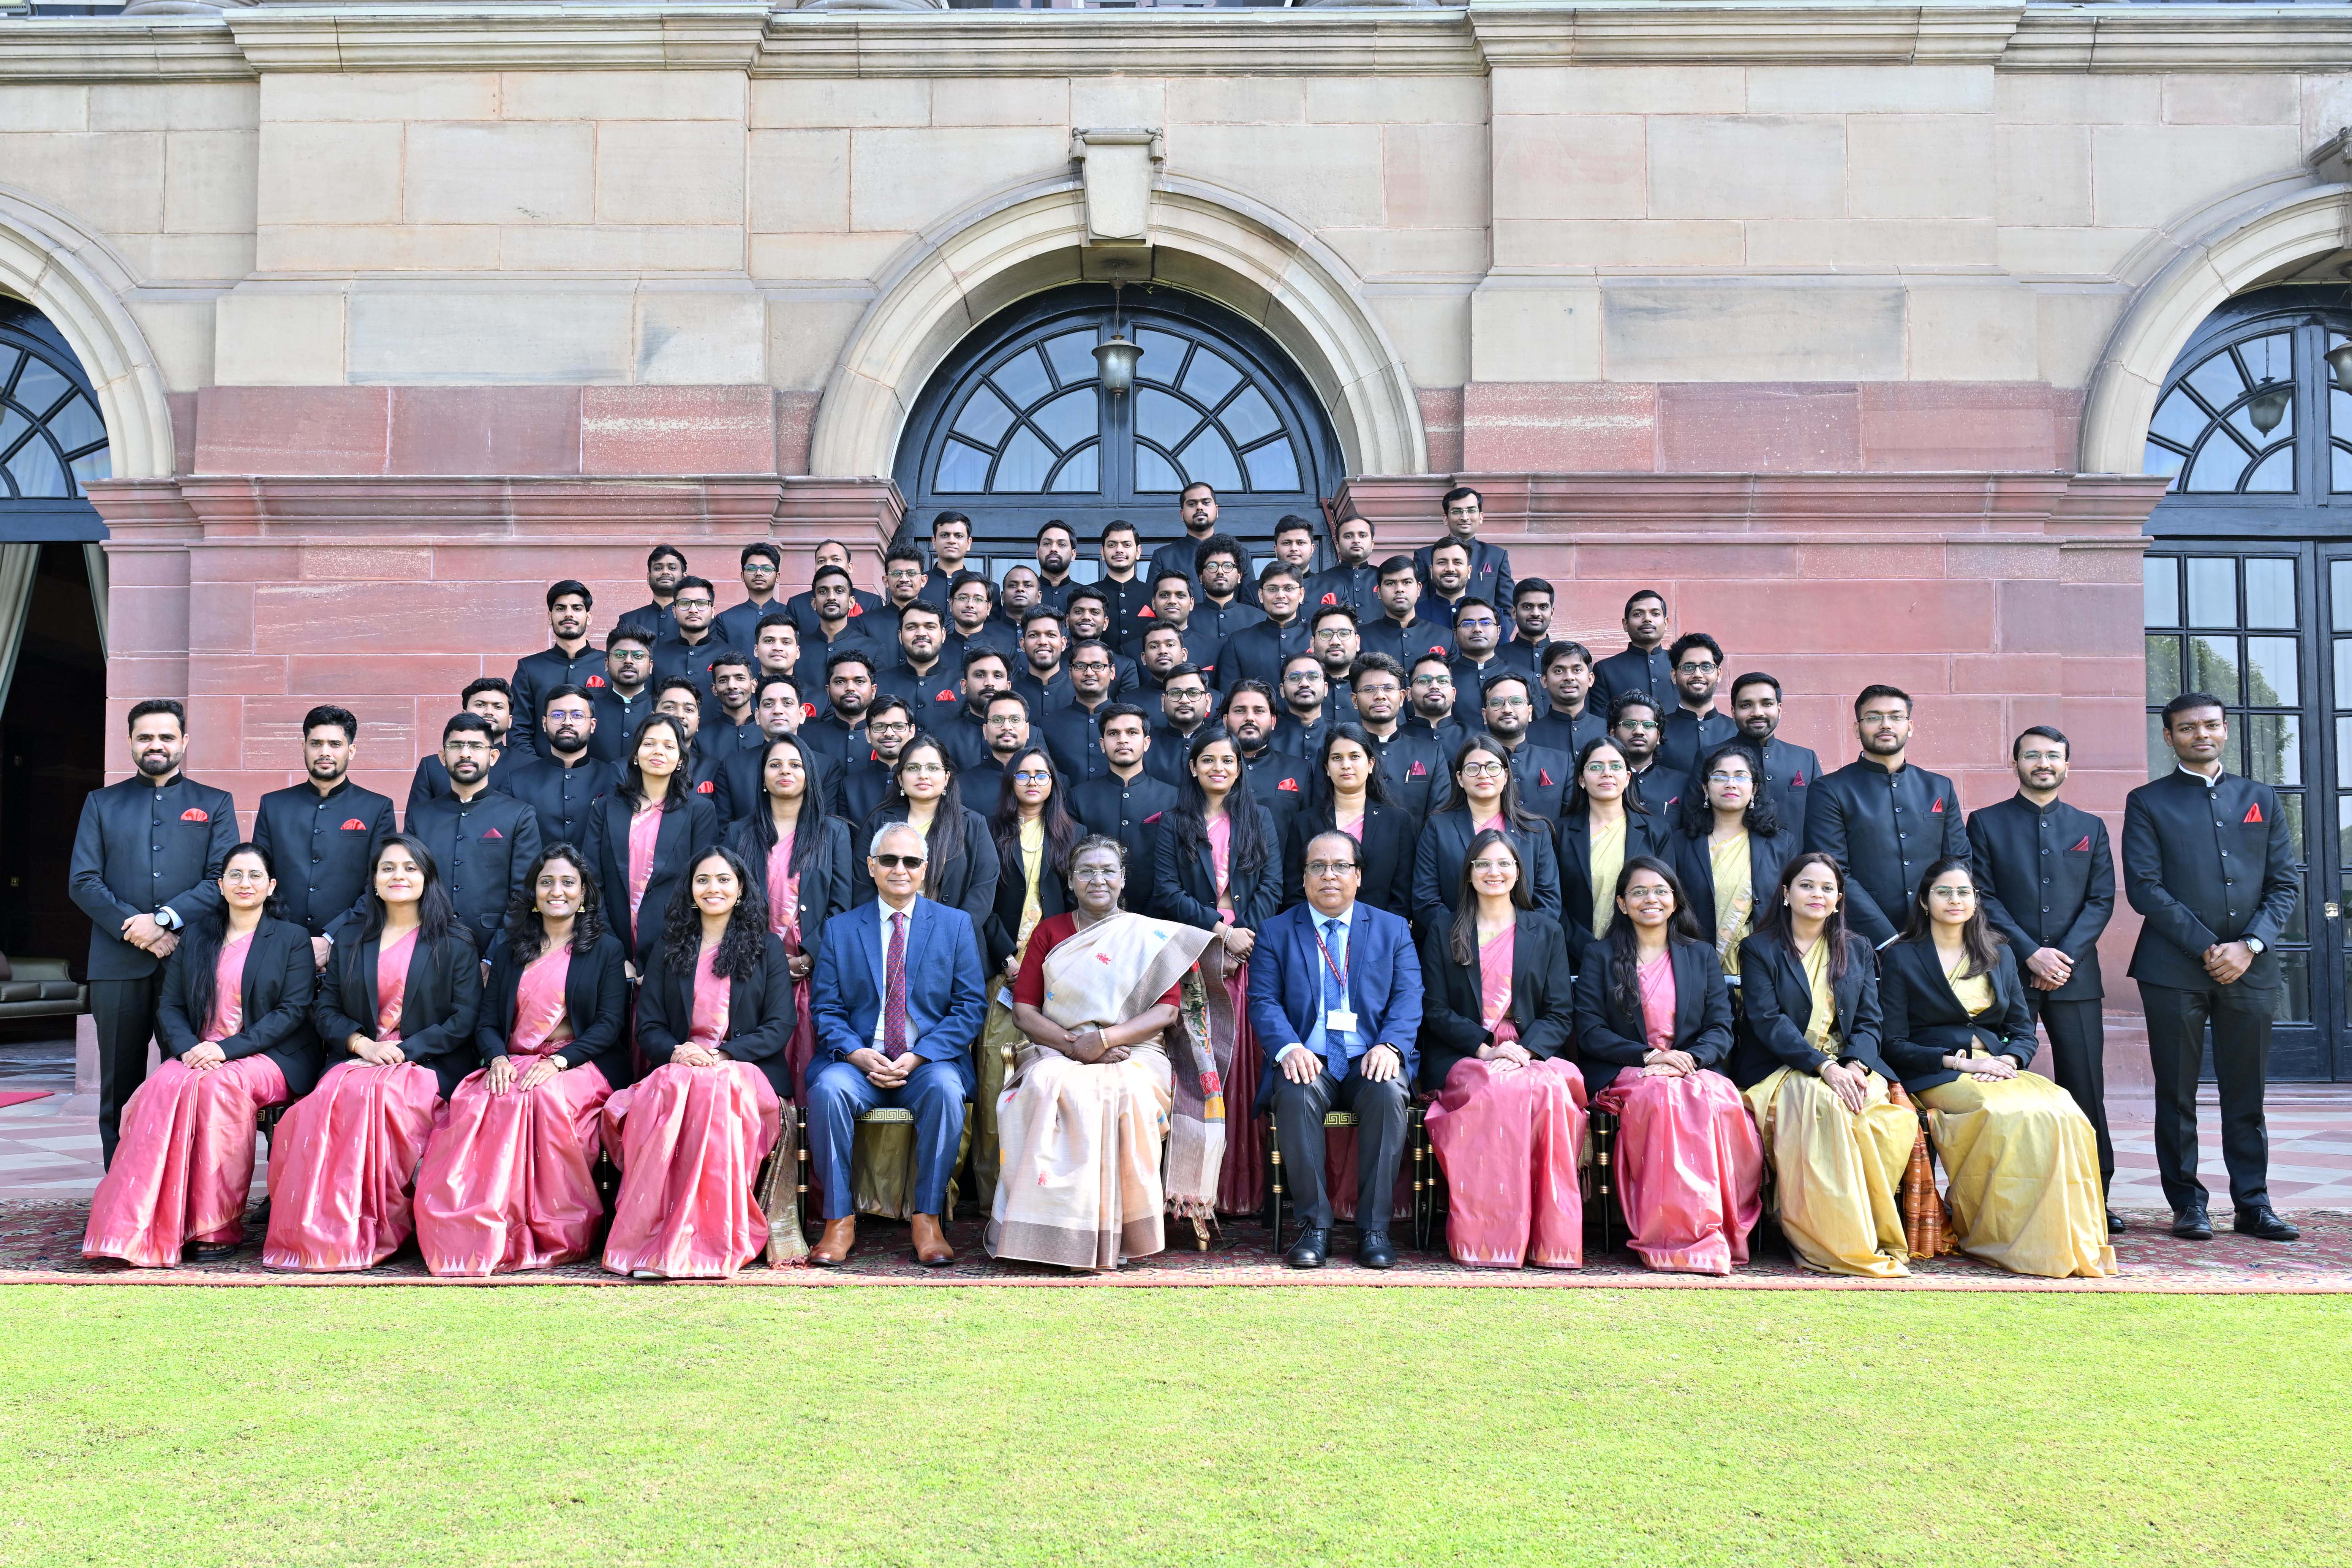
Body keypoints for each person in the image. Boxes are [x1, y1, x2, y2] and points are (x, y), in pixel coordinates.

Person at [987, 835, 1219, 1269]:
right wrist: (1076, 1046)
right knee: (1044, 1083)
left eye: (1108, 871)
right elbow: (1024, 1011)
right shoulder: (1050, 931)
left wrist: (1108, 1040)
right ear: (1072, 882)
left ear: (1123, 879)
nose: (1099, 880)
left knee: (1124, 1090)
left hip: (1134, 1048)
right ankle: (1047, 1232)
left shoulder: (1147, 935)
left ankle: (1119, 1234)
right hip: (1060, 1045)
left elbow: (1167, 1012)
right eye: (1087, 872)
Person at [82, 844, 319, 1268]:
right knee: (158, 1087)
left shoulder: (291, 939)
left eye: (254, 876)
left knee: (219, 1089)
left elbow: (291, 1012)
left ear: (271, 886)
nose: (244, 884)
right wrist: (190, 1047)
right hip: (199, 1052)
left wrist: (224, 1050)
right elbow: (170, 1006)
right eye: (235, 875)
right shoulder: (197, 937)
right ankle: (139, 1222)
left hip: (270, 1056)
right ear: (220, 885)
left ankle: (214, 1224)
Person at [1879, 859, 2115, 1278]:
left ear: (1976, 900)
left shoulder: (1999, 953)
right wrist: (1963, 1063)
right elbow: (1893, 1044)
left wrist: (2007, 1060)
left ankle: (2063, 1235)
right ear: (1924, 900)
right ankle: (1998, 1232)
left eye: (1963, 892)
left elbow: (2023, 1032)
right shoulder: (1901, 958)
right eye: (1944, 892)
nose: (1955, 900)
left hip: (1998, 1068)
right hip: (1938, 1072)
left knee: (2063, 1111)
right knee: (2004, 1115)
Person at [2123, 692, 2301, 1243]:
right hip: (2172, 970)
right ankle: (2188, 1205)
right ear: (2170, 736)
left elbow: (2284, 884)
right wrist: (2208, 947)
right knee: (2176, 1093)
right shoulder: (2147, 801)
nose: (2202, 734)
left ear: (2225, 730)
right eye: (2188, 728)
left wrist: (2249, 945)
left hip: (2251, 969)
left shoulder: (2262, 798)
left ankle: (2253, 1203)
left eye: (2211, 725)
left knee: (2245, 1092)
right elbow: (2145, 889)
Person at [264, 836, 482, 1271]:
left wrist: (403, 1051)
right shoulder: (351, 938)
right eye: (388, 869)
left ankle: (381, 1226)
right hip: (355, 1059)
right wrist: (362, 1044)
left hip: (428, 1063)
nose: (398, 876)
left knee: (381, 1099)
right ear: (375, 882)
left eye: (410, 868)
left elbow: (464, 1018)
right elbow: (325, 1008)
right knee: (318, 1108)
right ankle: (320, 1230)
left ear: (427, 879)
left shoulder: (455, 940)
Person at [412, 844, 628, 1277]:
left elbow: (609, 1025)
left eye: (568, 882)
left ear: (584, 893)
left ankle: (554, 1232)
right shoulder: (513, 948)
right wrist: (495, 1059)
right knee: (480, 1104)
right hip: (514, 1062)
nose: (557, 891)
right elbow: (488, 1020)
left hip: (580, 1065)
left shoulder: (605, 949)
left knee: (542, 1101)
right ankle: (476, 1231)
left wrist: (561, 1063)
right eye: (547, 882)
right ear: (533, 892)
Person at [602, 847, 796, 1279]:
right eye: (704, 880)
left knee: (715, 1089)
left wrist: (723, 1055)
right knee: (669, 1091)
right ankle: (655, 1239)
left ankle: (712, 1239)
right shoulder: (670, 949)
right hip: (680, 1068)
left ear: (741, 890)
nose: (714, 888)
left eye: (725, 880)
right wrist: (677, 1052)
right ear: (690, 892)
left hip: (746, 1070)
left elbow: (780, 1025)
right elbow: (648, 1024)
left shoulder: (766, 949)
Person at [806, 822, 990, 1267]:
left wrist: (919, 1054)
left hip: (927, 1061)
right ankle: (839, 1222)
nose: (900, 869)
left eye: (911, 861)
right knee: (828, 1090)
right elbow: (825, 1009)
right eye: (889, 860)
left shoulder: (956, 925)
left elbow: (969, 1007)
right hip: (859, 1063)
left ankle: (927, 1219)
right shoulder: (841, 929)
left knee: (947, 1090)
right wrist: (856, 1052)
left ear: (925, 869)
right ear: (871, 867)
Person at [1572, 857, 1761, 1275]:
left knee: (1721, 1097)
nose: (1650, 899)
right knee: (1664, 1098)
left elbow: (1720, 1027)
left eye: (1660, 891)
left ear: (1675, 901)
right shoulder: (1600, 956)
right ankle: (1671, 1237)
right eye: (1638, 892)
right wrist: (1649, 1057)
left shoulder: (1700, 956)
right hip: (1627, 1073)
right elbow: (1590, 1031)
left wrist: (1689, 1060)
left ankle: (1716, 1229)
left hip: (1691, 1070)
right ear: (1622, 904)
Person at [70, 700, 239, 1165]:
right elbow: (83, 881)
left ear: (183, 742)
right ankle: (119, 1193)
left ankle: (180, 1189)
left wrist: (163, 920)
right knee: (118, 1086)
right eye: (145, 737)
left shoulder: (214, 803)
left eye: (166, 737)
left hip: (189, 962)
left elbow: (220, 880)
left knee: (188, 1077)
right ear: (130, 744)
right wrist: (139, 930)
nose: (156, 745)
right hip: (117, 965)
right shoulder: (102, 803)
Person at [1249, 828, 1425, 1268]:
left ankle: (1374, 1228)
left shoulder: (1391, 929)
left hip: (1371, 1057)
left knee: (1388, 1094)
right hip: (1311, 1057)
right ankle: (1315, 1226)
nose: (1330, 875)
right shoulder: (1276, 931)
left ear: (1359, 876)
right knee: (1293, 1092)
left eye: (1341, 866)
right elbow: (1263, 1001)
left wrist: (1392, 1047)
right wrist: (1288, 1048)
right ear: (1305, 877)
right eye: (1318, 866)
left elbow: (1409, 997)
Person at [1968, 724, 2120, 1232]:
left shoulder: (2090, 827)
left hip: (2076, 979)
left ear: (2067, 765)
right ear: (2015, 764)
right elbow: (1983, 897)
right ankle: (2007, 1197)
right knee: (2001, 1083)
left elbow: (2101, 899)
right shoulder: (1985, 824)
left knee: (2085, 1085)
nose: (2043, 764)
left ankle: (2096, 1197)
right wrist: (2031, 953)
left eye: (2053, 756)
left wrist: (2063, 959)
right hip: (2008, 972)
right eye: (2032, 755)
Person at [1733, 853, 1913, 1279]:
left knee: (1885, 1120)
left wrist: (1853, 1065)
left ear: (1838, 900)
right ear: (1786, 893)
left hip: (1849, 1068)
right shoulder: (1758, 949)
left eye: (1827, 888)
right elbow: (1767, 1021)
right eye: (1807, 885)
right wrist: (1823, 1067)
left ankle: (1871, 1230)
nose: (1817, 894)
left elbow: (1870, 1021)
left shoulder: (1857, 948)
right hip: (1784, 1069)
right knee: (1824, 1107)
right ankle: (1830, 1238)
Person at [1418, 829, 1584, 1269]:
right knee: (1497, 1091)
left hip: (1529, 1053)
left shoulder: (1545, 930)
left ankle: (1550, 1238)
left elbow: (1559, 1013)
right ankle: (1489, 1237)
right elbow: (1434, 1009)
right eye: (1484, 864)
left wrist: (1525, 1052)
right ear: (1469, 874)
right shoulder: (1444, 928)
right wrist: (1486, 1048)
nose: (1495, 872)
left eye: (1504, 864)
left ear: (1518, 873)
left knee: (1549, 1092)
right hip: (1467, 1054)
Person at [1154, 727, 1283, 1215]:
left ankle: (1242, 1192)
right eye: (1209, 760)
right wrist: (1219, 932)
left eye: (1228, 761)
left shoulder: (1260, 818)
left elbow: (1274, 884)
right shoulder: (1174, 822)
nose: (1219, 769)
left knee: (1244, 1065)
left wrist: (1244, 935)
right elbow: (1165, 890)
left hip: (1250, 958)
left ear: (1239, 766)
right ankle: (1196, 1190)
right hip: (1194, 955)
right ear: (1193, 767)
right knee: (1200, 1067)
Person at [972, 744, 1079, 1211]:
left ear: (1054, 782)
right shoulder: (987, 833)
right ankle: (995, 1190)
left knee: (1056, 1077)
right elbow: (982, 905)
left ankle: (1049, 1193)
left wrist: (1046, 964)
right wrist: (1007, 961)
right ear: (1009, 782)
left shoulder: (1074, 835)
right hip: (1004, 968)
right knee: (998, 1074)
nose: (1032, 782)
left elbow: (1082, 907)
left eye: (1041, 774)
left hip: (1061, 971)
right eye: (1023, 774)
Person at [725, 733, 854, 1101]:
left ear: (809, 775)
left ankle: (810, 1155)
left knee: (812, 1063)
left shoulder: (834, 833)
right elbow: (729, 907)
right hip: (754, 972)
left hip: (816, 973)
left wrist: (810, 955)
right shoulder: (739, 833)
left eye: (795, 764)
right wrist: (768, 960)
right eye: (775, 764)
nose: (786, 771)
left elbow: (842, 907)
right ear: (762, 776)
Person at [1805, 684, 1971, 947]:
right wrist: (1887, 937)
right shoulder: (1830, 790)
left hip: (1935, 936)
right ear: (1857, 728)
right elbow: (1833, 871)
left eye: (1896, 717)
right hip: (1860, 941)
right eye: (1873, 717)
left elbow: (1958, 862)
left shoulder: (1940, 787)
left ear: (1910, 726)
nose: (1885, 725)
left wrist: (1938, 925)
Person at [251, 704, 396, 970]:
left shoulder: (377, 808)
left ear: (351, 750)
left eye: (335, 744)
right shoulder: (274, 805)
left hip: (352, 948)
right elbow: (260, 877)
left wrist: (333, 938)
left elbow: (380, 884)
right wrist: (287, 936)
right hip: (278, 946)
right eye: (316, 743)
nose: (324, 752)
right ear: (304, 747)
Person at [852, 734, 998, 978]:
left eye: (933, 768)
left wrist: (948, 937)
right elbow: (862, 884)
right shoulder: (879, 822)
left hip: (952, 949)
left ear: (947, 777)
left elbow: (983, 889)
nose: (923, 775)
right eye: (913, 768)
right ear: (900, 778)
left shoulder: (972, 824)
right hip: (887, 942)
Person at [587, 713, 721, 972]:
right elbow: (592, 883)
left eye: (669, 746)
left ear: (681, 761)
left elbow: (703, 885)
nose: (658, 751)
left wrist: (671, 950)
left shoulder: (700, 812)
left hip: (675, 948)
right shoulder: (605, 809)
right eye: (649, 744)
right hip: (611, 943)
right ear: (636, 755)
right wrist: (612, 950)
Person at [405, 713, 542, 953]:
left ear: (494, 756)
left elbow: (524, 895)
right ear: (443, 757)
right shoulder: (420, 817)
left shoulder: (520, 815)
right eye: (456, 746)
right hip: (428, 947)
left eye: (476, 746)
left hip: (493, 949)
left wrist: (493, 959)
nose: (465, 754)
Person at [1411, 733, 1563, 934]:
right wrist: (1467, 936)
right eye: (1473, 769)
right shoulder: (1438, 827)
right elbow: (1426, 900)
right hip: (1456, 944)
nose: (1484, 775)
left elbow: (1548, 901)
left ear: (1506, 776)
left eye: (1493, 767)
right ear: (1460, 778)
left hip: (1525, 947)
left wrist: (1517, 941)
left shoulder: (1536, 831)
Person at [1667, 743, 1790, 980]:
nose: (1730, 784)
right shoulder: (1681, 844)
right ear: (1706, 787)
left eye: (1741, 777)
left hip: (1766, 965)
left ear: (1754, 789)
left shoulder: (1781, 843)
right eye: (1720, 777)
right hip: (1696, 965)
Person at [1556, 736, 1666, 971]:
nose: (1607, 773)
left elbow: (1666, 897)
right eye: (1596, 767)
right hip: (1574, 957)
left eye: (1616, 766)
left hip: (1642, 955)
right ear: (1581, 780)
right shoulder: (1559, 833)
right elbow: (1552, 900)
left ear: (1627, 778)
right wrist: (1587, 947)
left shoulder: (1655, 832)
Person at [1283, 724, 1413, 917]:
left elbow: (1403, 894)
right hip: (1317, 933)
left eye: (1355, 757)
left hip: (1382, 935)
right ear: (1327, 768)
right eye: (1337, 758)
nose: (1346, 765)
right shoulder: (1304, 822)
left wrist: (1387, 933)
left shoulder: (1398, 822)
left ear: (1370, 764)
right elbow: (1294, 891)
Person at [496, 686, 617, 849]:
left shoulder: (612, 778)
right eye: (558, 715)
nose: (567, 722)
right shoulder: (517, 781)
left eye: (577, 716)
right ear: (545, 724)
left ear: (593, 725)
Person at [1072, 703, 1176, 876]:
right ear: (1103, 744)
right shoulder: (1079, 798)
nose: (1123, 740)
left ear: (1147, 743)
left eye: (1132, 733)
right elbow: (1072, 861)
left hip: (1159, 901)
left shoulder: (1172, 797)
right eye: (1113, 733)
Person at [509, 581, 607, 759]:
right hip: (540, 776)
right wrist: (535, 768)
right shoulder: (530, 668)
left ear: (589, 617)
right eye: (561, 608)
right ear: (550, 617)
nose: (569, 614)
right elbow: (518, 729)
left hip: (602, 776)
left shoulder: (609, 665)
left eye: (577, 608)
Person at [1347, 653, 1449, 820]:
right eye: (1369, 689)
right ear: (1355, 701)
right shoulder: (1338, 755)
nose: (1380, 696)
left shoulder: (1432, 754)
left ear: (1402, 698)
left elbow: (1440, 820)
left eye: (1388, 688)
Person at [406, 677, 514, 818]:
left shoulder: (529, 766)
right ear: (464, 714)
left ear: (511, 720)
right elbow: (416, 823)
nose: (489, 712)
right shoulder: (432, 766)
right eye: (480, 705)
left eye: (498, 706)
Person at [1723, 672, 1820, 827]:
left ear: (1779, 710)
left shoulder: (1807, 759)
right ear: (1734, 713)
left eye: (1767, 704)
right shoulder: (1711, 757)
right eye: (1746, 705)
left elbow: (1821, 820)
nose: (1757, 713)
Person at [1220, 683, 1311, 839]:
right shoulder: (1210, 770)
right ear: (1226, 721)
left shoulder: (1300, 770)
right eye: (1240, 711)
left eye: (1259, 711)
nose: (1249, 718)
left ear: (1273, 722)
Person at [1478, 672, 1573, 822]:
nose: (1508, 710)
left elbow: (1571, 823)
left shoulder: (1562, 763)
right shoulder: (1472, 765)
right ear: (1485, 715)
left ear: (1530, 712)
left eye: (1516, 702)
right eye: (1497, 703)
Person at [1148, 481, 1257, 607]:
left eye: (1206, 503)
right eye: (1192, 504)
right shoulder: (1164, 556)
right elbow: (1154, 605)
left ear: (1216, 511)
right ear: (1182, 514)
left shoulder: (1241, 554)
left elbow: (1250, 607)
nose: (1199, 508)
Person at [1413, 485, 1513, 609]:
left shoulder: (1497, 556)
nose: (1465, 518)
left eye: (1471, 511)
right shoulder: (1425, 556)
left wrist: (1499, 629)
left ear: (1481, 517)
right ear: (1446, 519)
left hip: (1484, 627)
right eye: (1457, 512)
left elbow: (1508, 608)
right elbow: (1419, 605)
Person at [1656, 633, 1737, 779]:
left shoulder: (1737, 730)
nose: (1698, 674)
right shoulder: (1658, 731)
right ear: (1674, 676)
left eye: (1706, 667)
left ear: (1719, 674)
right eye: (1688, 667)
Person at [1040, 639, 1120, 784]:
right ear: (1070, 672)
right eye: (1081, 666)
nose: (1089, 673)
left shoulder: (1131, 724)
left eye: (1097, 666)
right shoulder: (1046, 726)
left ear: (1112, 671)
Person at [1360, 554, 1453, 670]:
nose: (1399, 589)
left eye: (1407, 582)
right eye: (1390, 583)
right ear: (1379, 592)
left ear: (1419, 589)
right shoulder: (1362, 638)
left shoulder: (1445, 637)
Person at [1591, 590, 1675, 715]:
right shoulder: (1606, 670)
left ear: (1666, 623)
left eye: (1655, 614)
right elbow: (1600, 723)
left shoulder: (1681, 665)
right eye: (1638, 614)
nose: (1647, 619)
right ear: (1626, 624)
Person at [875, 598, 960, 715]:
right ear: (900, 636)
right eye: (912, 627)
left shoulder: (962, 684)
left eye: (930, 627)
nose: (921, 633)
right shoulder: (878, 684)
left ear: (944, 635)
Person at [587, 625, 658, 766]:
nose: (629, 661)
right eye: (620, 655)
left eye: (638, 656)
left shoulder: (661, 708)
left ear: (651, 667)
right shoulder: (587, 709)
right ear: (607, 664)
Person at [937, 646, 1013, 771]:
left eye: (998, 676)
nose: (989, 683)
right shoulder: (942, 737)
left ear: (1008, 687)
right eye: (980, 675)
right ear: (964, 686)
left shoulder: (1030, 736)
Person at [1190, 536, 1268, 656]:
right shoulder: (1187, 618)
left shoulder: (1261, 620)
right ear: (1201, 577)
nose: (1220, 572)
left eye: (1228, 566)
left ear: (1239, 577)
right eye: (1212, 566)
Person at [1528, 640, 1606, 758]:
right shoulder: (1528, 735)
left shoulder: (1607, 730)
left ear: (1590, 679)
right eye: (1559, 671)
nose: (1569, 678)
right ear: (1545, 681)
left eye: (1577, 670)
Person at [1142, 662, 1215, 786]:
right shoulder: (1145, 747)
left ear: (1208, 702)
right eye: (1175, 693)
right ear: (1163, 702)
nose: (1184, 701)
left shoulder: (1223, 745)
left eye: (1193, 693)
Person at [648, 576, 726, 692]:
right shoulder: (655, 657)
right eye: (685, 603)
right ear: (674, 611)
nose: (693, 610)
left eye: (702, 603)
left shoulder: (729, 655)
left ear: (713, 612)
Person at [1307, 514, 1380, 620]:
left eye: (1363, 536)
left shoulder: (1385, 579)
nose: (1356, 541)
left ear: (1372, 544)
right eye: (1349, 536)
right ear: (1338, 546)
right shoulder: (1320, 582)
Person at [714, 541, 785, 650]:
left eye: (766, 569)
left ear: (778, 577)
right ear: (742, 576)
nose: (759, 573)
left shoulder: (790, 614)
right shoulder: (725, 619)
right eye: (752, 569)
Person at [945, 571, 1018, 667]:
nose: (970, 605)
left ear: (989, 608)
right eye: (963, 598)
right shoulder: (936, 648)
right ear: (951, 604)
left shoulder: (1006, 651)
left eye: (978, 600)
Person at [1448, 598, 1512, 706]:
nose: (1477, 629)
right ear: (1455, 633)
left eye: (1486, 623)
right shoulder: (1445, 679)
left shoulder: (1523, 675)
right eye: (1468, 624)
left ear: (1499, 631)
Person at [1010, 609, 1072, 718]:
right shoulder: (1010, 694)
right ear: (1023, 645)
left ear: (1063, 644)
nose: (1043, 641)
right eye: (1034, 635)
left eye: (1051, 635)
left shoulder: (1080, 692)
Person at [620, 543, 688, 641]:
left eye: (672, 568)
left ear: (684, 577)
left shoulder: (696, 617)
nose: (665, 572)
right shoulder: (629, 620)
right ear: (648, 577)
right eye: (658, 568)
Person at [1094, 518, 1152, 633]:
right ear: (1103, 553)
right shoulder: (1088, 596)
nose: (1119, 550)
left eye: (1127, 545)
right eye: (1112, 545)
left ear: (1138, 552)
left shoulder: (1155, 595)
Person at [917, 511, 974, 612]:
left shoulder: (986, 588)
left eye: (959, 536)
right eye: (945, 535)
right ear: (934, 541)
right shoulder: (917, 584)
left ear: (969, 543)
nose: (952, 541)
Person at [1503, 579, 1554, 673]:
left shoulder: (1566, 656)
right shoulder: (1496, 658)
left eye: (1543, 607)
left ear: (1552, 613)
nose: (1536, 614)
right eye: (1527, 607)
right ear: (1514, 613)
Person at [1031, 522, 1080, 616]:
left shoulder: (1085, 596)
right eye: (1047, 544)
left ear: (1073, 555)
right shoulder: (1025, 595)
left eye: (1062, 544)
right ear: (1037, 553)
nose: (1054, 549)